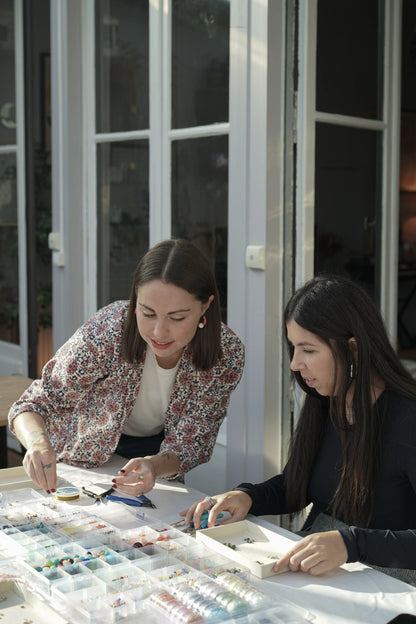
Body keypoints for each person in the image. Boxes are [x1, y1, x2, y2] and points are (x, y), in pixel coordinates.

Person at [184, 274, 416, 584]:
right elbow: (299, 486)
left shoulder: (407, 420)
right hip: (320, 570)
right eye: (294, 348)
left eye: (308, 350)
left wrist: (350, 544)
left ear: (353, 350)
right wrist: (248, 496)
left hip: (391, 585)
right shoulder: (326, 399)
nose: (295, 364)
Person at [8, 239, 244, 497]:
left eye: (177, 318)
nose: (159, 332)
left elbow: (194, 441)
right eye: (148, 313)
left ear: (206, 306)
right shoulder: (108, 331)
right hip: (83, 455)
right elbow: (34, 403)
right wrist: (37, 442)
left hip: (158, 455)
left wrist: (154, 466)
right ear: (135, 300)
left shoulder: (226, 353)